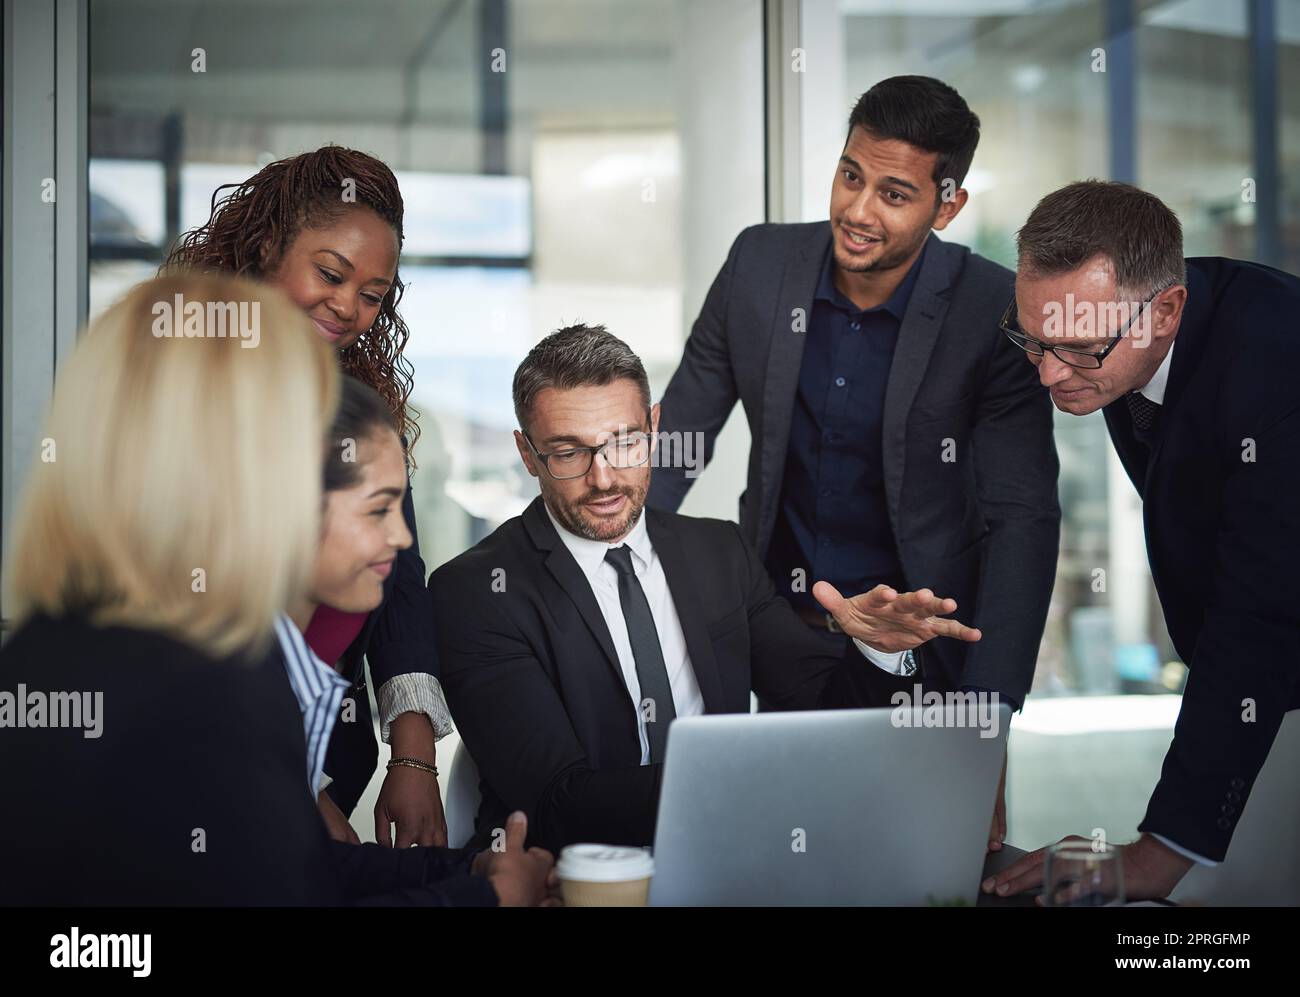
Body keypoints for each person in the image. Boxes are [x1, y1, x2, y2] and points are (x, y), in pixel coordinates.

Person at [0, 275, 552, 906]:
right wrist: (488, 901)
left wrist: (465, 877)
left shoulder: (91, 648)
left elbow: (282, 874)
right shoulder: (193, 689)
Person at [646, 76, 1061, 848]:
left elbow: (1022, 521)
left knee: (920, 868)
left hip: (925, 659)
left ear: (947, 205)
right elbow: (672, 452)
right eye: (850, 175)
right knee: (774, 859)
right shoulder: (759, 267)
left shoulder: (990, 311)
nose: (858, 211)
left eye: (895, 194)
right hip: (782, 637)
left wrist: (990, 719)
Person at [429, 324, 981, 855]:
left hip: (734, 854)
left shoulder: (720, 553)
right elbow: (557, 803)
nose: (603, 479)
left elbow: (820, 706)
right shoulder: (475, 591)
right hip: (571, 876)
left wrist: (876, 655)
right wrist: (753, 784)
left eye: (623, 443)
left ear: (655, 428)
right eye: (568, 452)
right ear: (528, 454)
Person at [982, 181, 1300, 903]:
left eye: (1080, 350)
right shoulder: (1114, 340)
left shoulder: (1278, 368)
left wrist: (1156, 856)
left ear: (1166, 311)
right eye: (1033, 338)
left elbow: (1258, 616)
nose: (1048, 372)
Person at [163, 146, 450, 847]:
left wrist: (413, 755)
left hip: (330, 757)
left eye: (374, 294)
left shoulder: (359, 405)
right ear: (266, 247)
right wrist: (297, 792)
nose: (349, 306)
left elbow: (397, 577)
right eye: (330, 273)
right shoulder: (179, 391)